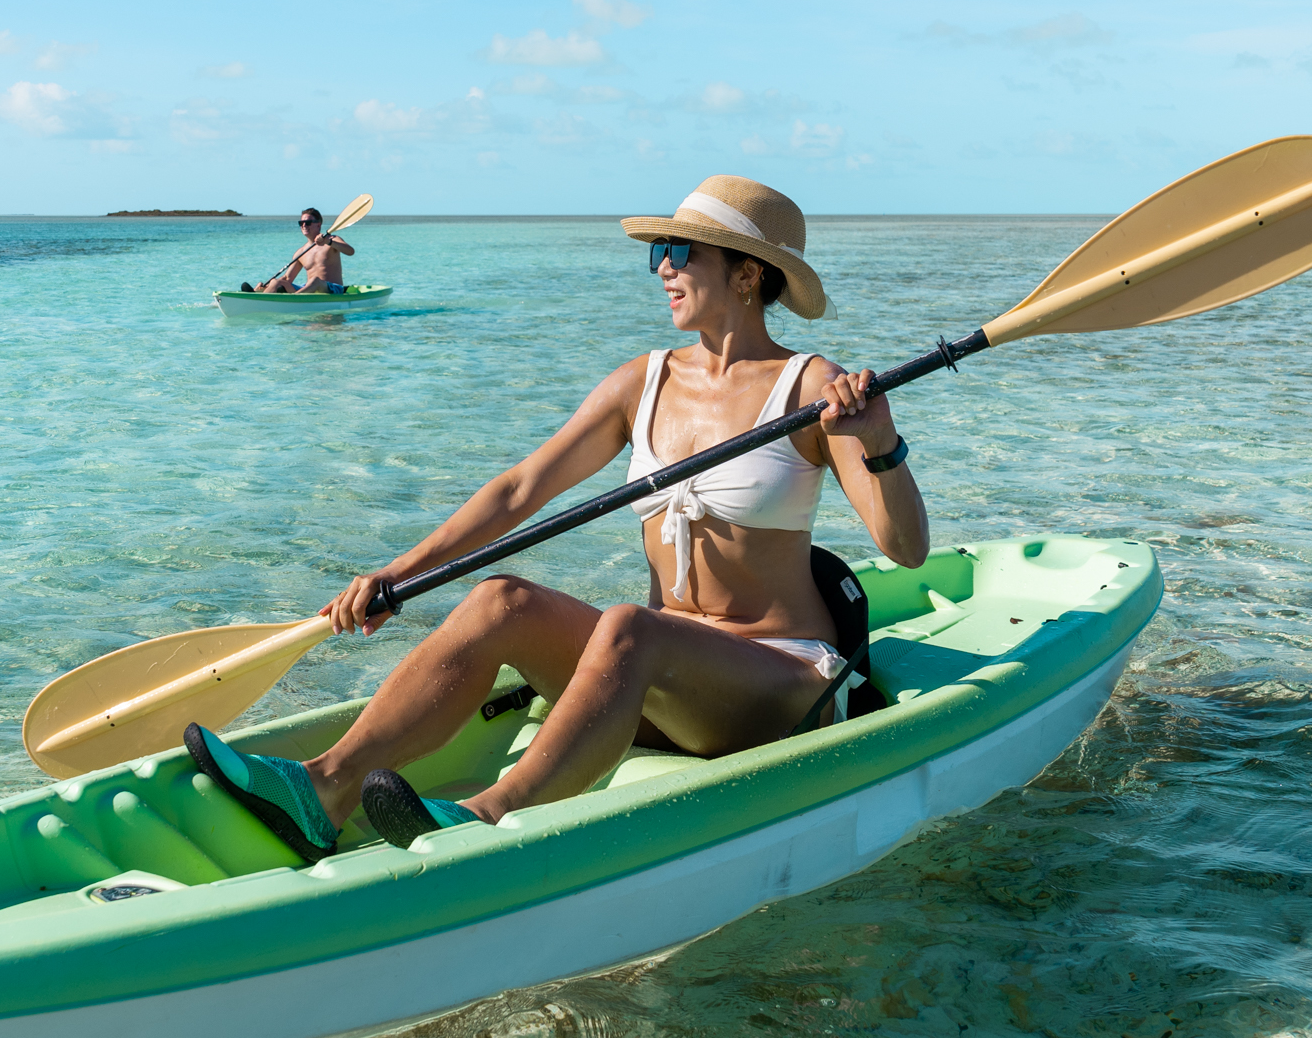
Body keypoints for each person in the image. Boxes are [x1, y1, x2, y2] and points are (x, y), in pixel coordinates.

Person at [187, 174, 930, 858]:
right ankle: (325, 785)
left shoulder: (816, 388)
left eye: (679, 251)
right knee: (499, 600)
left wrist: (881, 441)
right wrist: (397, 573)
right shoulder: (644, 380)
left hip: (777, 685)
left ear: (745, 272)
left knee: (630, 626)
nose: (662, 268)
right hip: (664, 683)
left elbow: (906, 547)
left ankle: (488, 816)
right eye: (658, 255)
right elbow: (519, 490)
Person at [255, 207, 356, 293]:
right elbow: (287, 278)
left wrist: (327, 242)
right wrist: (269, 286)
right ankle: (258, 296)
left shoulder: (331, 239)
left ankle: (295, 299)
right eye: (301, 223)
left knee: (315, 280)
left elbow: (350, 251)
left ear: (318, 225)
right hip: (308, 290)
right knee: (276, 281)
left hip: (333, 289)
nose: (304, 225)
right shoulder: (301, 252)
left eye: (308, 222)